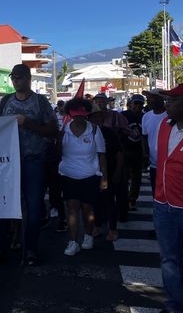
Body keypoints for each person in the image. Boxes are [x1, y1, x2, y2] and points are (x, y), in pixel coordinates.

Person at [0, 64, 58, 266]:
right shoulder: (6, 101)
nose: (15, 80)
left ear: (28, 78)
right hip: (8, 162)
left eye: (19, 77)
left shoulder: (40, 102)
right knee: (2, 206)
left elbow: (53, 130)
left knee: (34, 207)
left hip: (32, 160)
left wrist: (28, 123)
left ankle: (31, 250)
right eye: (13, 77)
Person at [153, 84, 183, 313]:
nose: (167, 104)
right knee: (169, 259)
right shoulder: (164, 125)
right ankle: (173, 304)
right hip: (163, 205)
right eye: (167, 99)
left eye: (173, 100)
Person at [58, 98, 107, 256]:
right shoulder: (63, 130)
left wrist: (104, 177)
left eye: (82, 114)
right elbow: (57, 151)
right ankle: (73, 242)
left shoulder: (94, 130)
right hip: (68, 175)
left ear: (86, 114)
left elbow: (101, 155)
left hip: (90, 176)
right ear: (70, 114)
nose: (79, 117)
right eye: (75, 114)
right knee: (72, 209)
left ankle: (88, 235)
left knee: (87, 209)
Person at [88, 105, 123, 242]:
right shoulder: (86, 133)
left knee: (109, 202)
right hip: (91, 173)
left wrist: (118, 171)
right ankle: (96, 226)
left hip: (109, 172)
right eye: (94, 116)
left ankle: (113, 229)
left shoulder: (109, 133)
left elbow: (119, 153)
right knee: (94, 201)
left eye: (99, 116)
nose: (97, 119)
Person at [141, 89, 167, 197]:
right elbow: (144, 138)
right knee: (156, 194)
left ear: (161, 99)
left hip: (168, 164)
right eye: (148, 98)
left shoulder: (170, 115)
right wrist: (145, 154)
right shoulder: (146, 116)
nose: (148, 101)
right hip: (154, 164)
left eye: (151, 98)